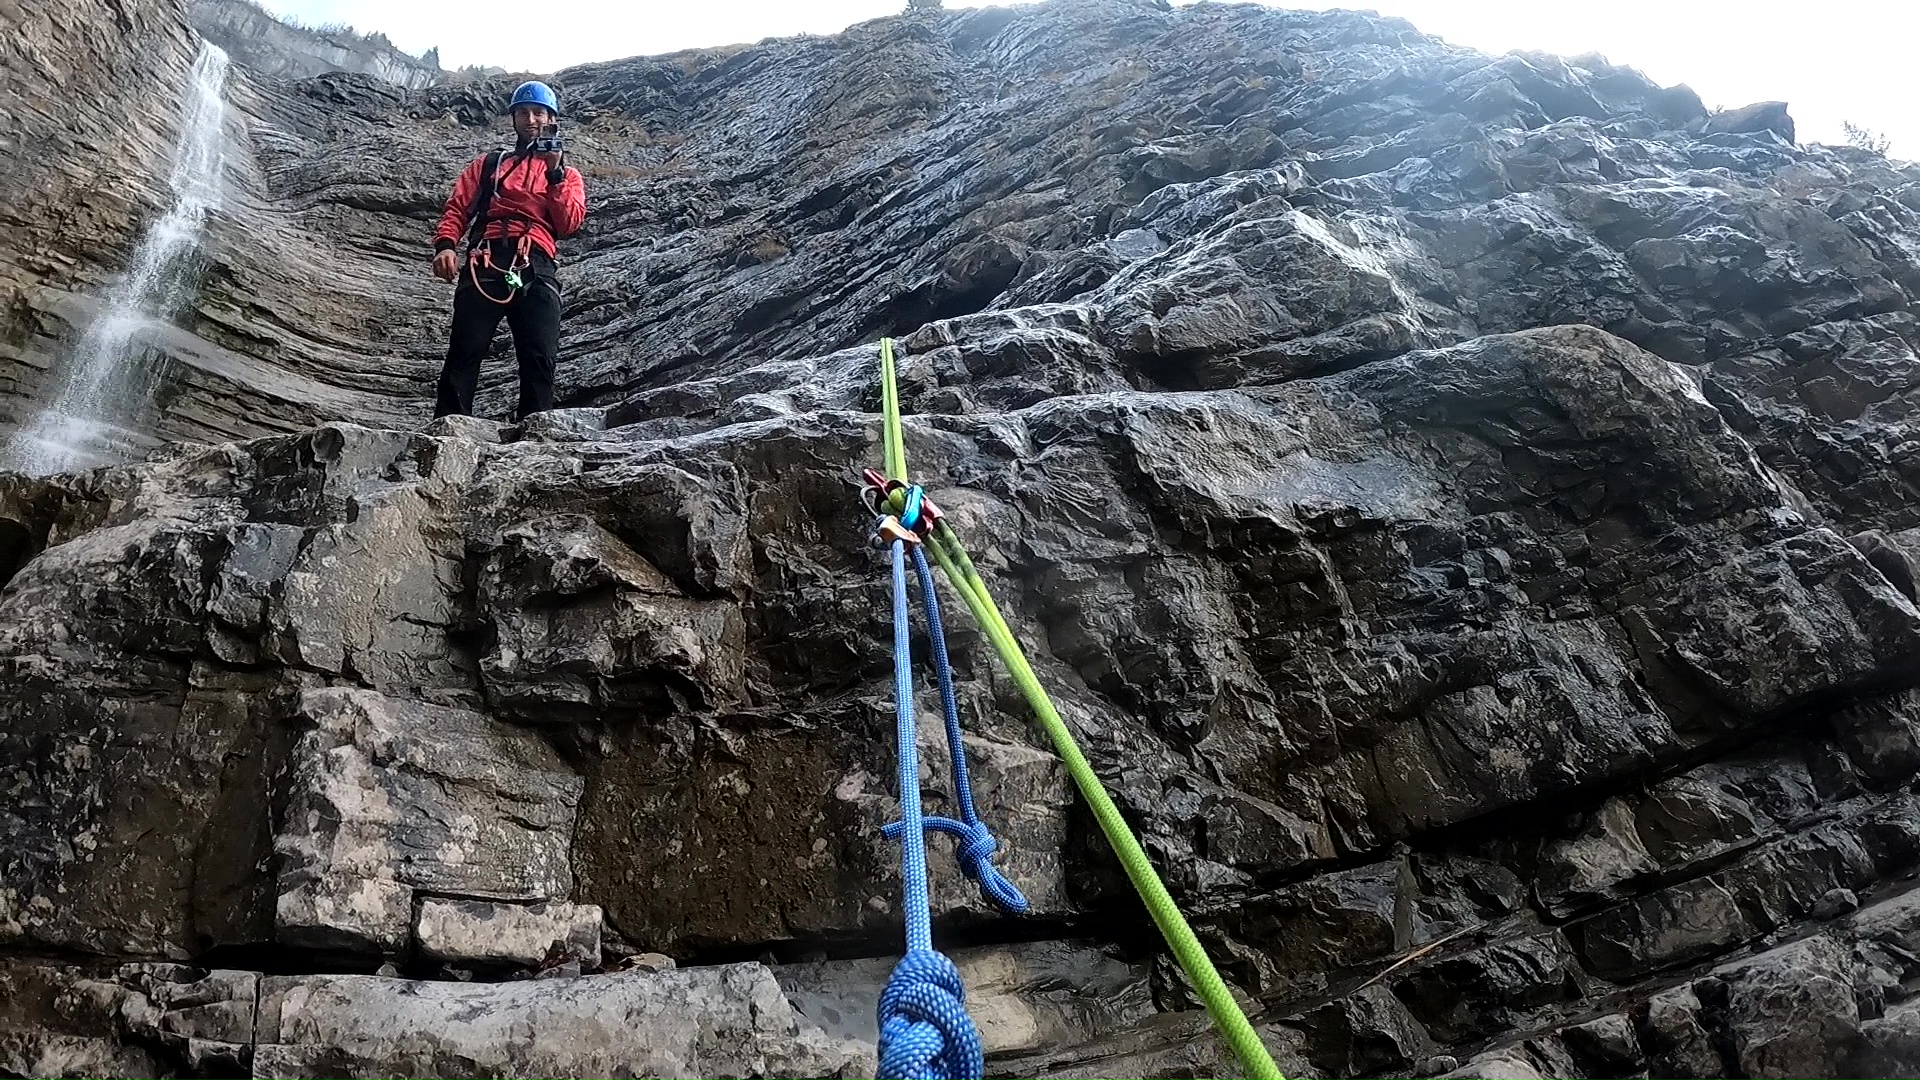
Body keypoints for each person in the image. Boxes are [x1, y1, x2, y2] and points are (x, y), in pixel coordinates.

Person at [430, 80, 587, 420]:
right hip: (486, 259)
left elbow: (569, 224)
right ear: (513, 118)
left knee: (539, 357)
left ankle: (536, 433)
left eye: (539, 113)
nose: (531, 120)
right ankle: (446, 429)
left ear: (552, 120)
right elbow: (457, 208)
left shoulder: (567, 175)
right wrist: (445, 245)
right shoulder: (489, 165)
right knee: (464, 351)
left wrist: (555, 173)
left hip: (537, 264)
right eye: (524, 113)